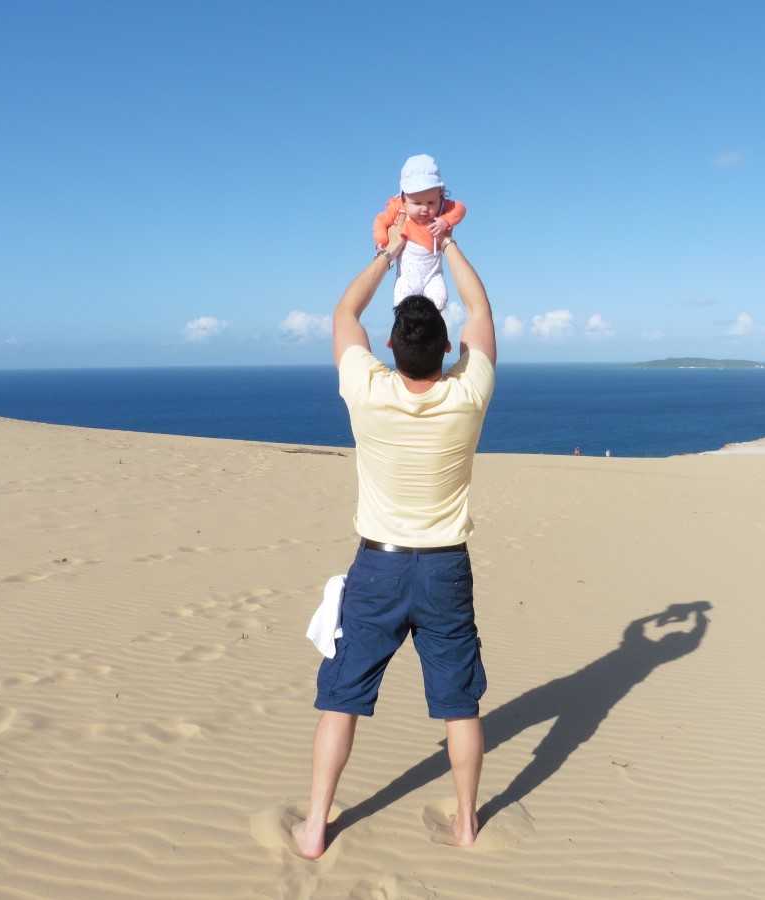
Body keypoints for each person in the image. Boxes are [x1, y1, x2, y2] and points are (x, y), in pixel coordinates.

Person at [293, 214, 497, 860]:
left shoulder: (368, 391)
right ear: (444, 350)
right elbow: (479, 308)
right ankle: (467, 825)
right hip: (445, 571)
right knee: (459, 705)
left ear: (390, 346)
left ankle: (316, 826)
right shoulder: (467, 395)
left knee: (341, 699)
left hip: (377, 571)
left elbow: (341, 313)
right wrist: (446, 243)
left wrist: (388, 254)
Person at [372, 154, 466, 313]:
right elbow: (381, 221)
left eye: (431, 203)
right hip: (407, 276)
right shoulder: (398, 208)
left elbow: (461, 208)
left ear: (441, 195)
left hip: (433, 274)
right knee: (402, 305)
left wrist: (445, 221)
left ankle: (432, 331)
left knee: (439, 299)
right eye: (417, 203)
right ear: (403, 197)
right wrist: (382, 240)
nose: (424, 208)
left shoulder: (443, 208)